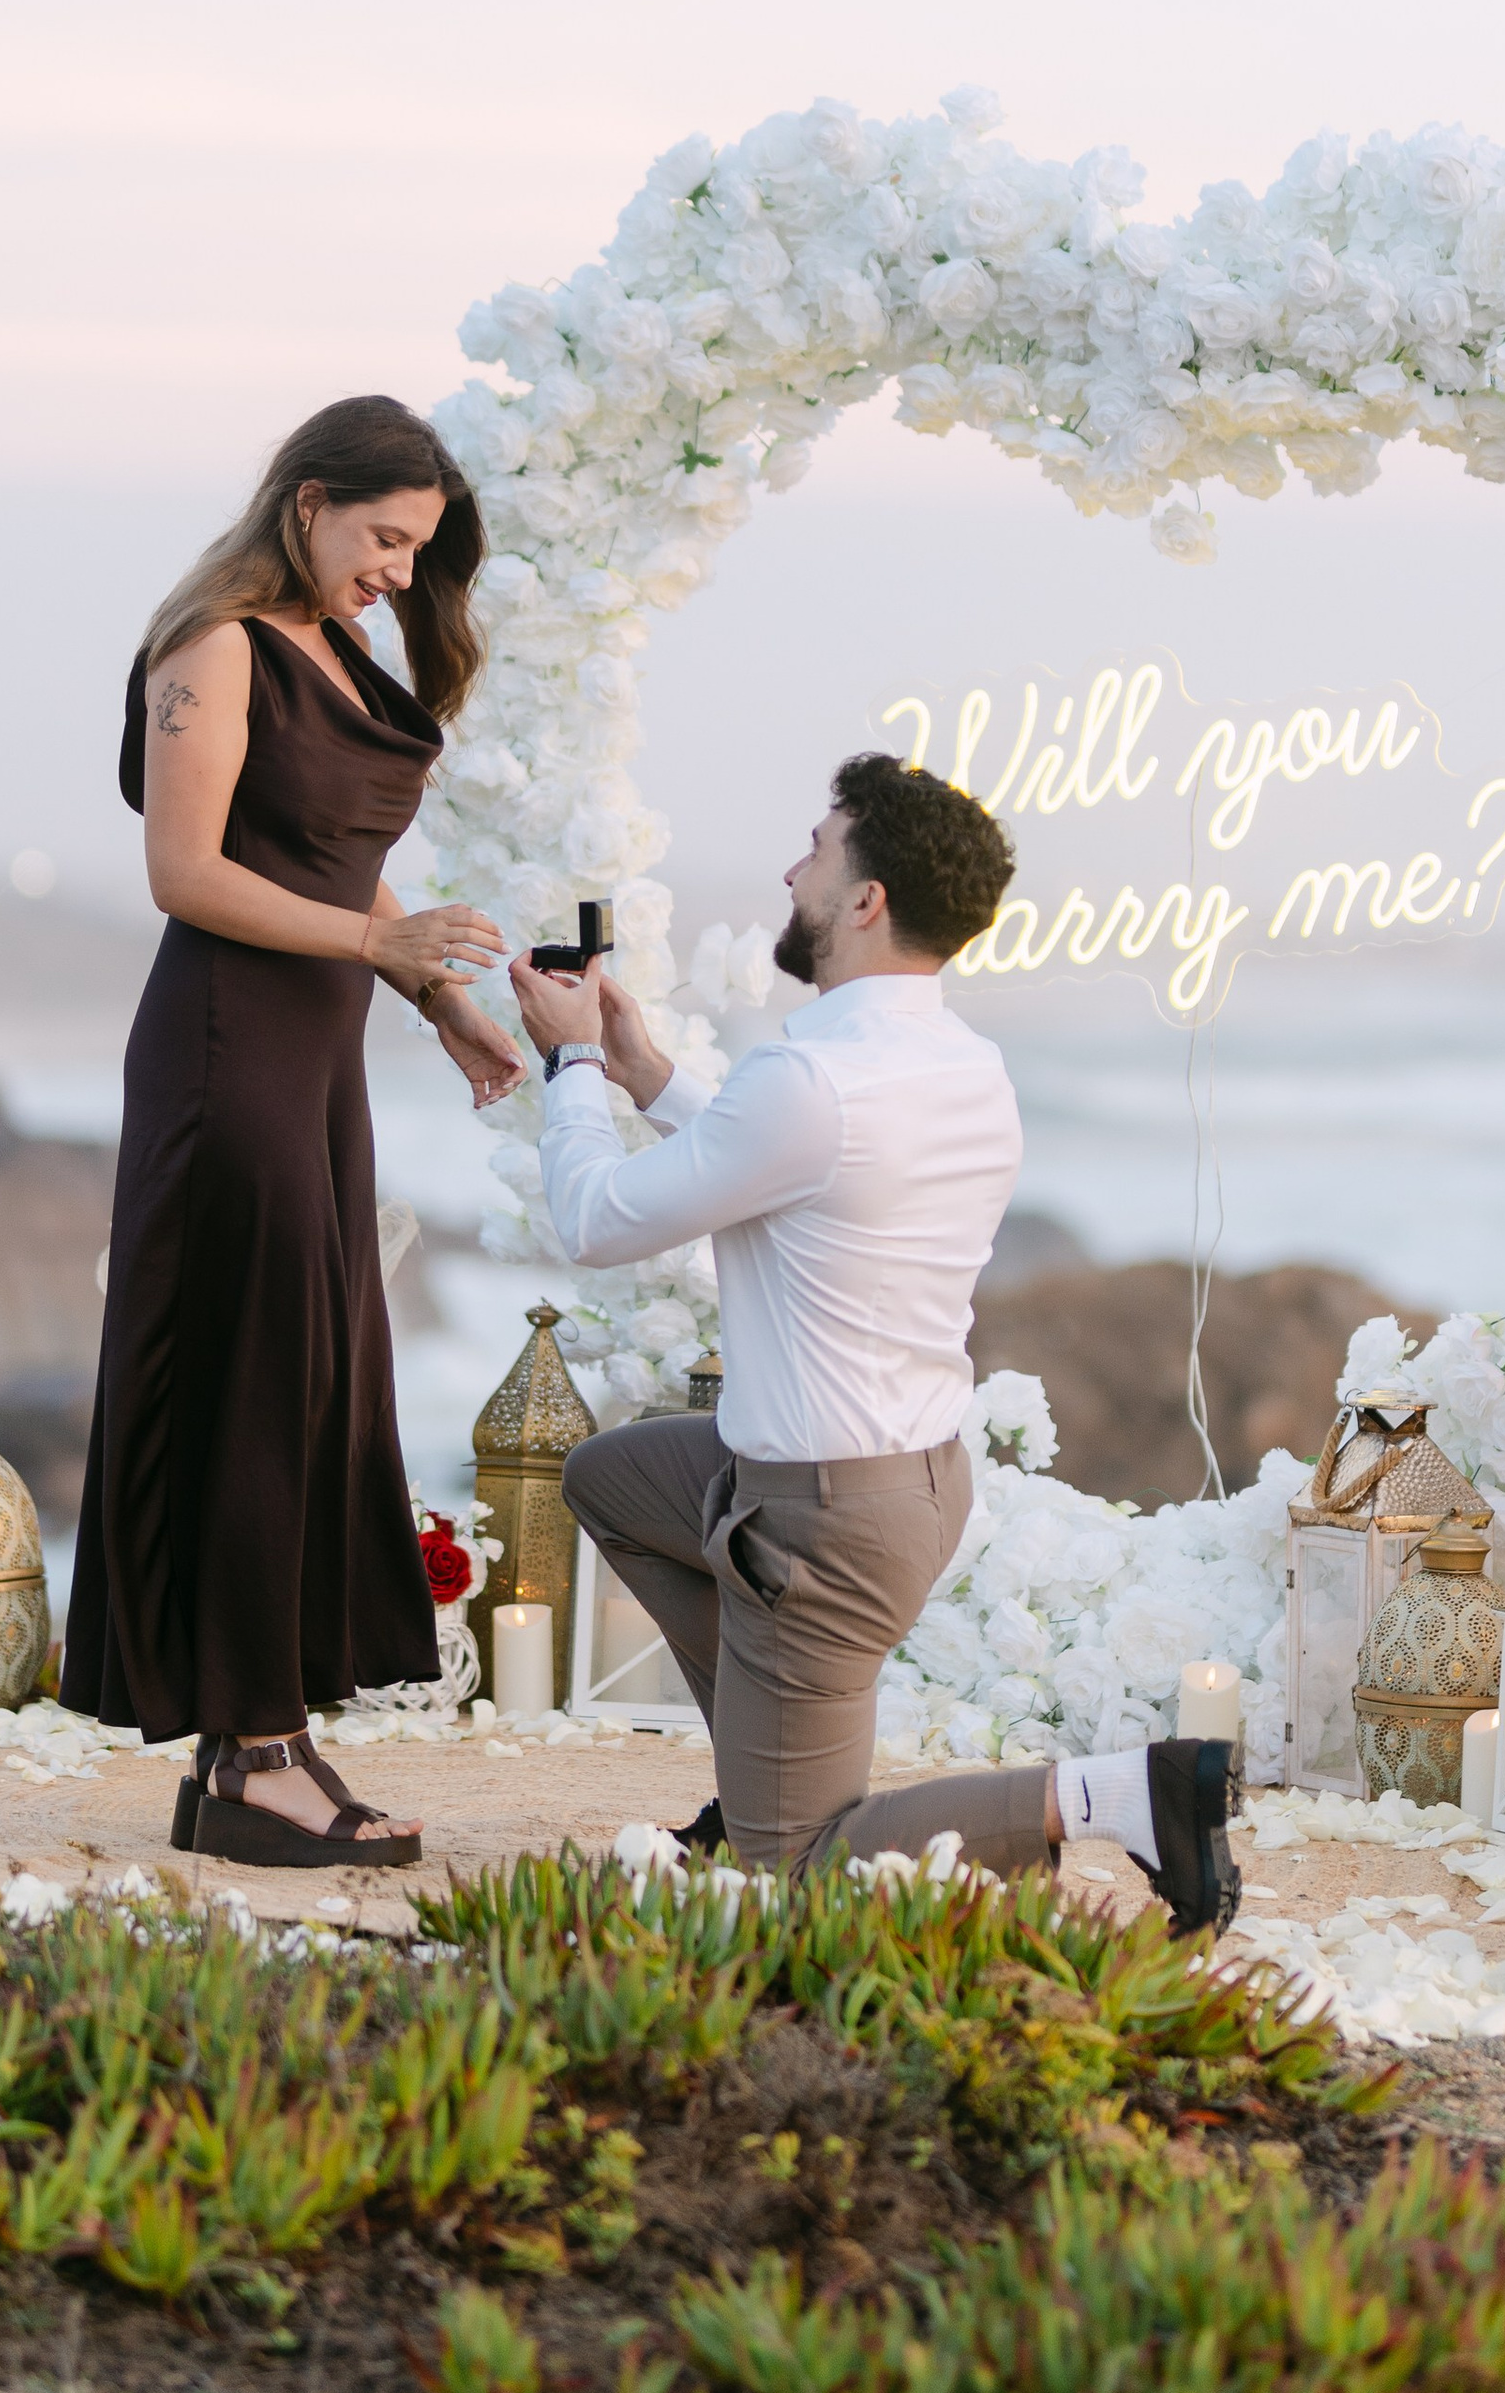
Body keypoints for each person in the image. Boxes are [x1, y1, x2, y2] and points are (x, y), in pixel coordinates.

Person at [510, 754, 1236, 1926]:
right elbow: (804, 1163)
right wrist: (646, 1071)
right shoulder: (959, 1065)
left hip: (821, 1523)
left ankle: (1121, 1795)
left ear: (865, 900)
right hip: (909, 1482)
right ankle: (761, 1758)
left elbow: (598, 1221)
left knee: (795, 1871)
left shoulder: (809, 1077)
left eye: (817, 847)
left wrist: (574, 1062)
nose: (791, 868)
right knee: (609, 1476)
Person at [62, 395, 520, 1873]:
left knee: (308, 1380)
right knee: (251, 1383)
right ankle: (252, 1757)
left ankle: (254, 1750)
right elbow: (183, 873)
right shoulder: (216, 646)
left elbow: (338, 869)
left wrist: (440, 1009)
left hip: (314, 1064)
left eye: (416, 550)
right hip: (226, 1051)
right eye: (384, 537)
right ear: (309, 500)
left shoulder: (348, 646)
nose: (396, 570)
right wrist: (377, 953)